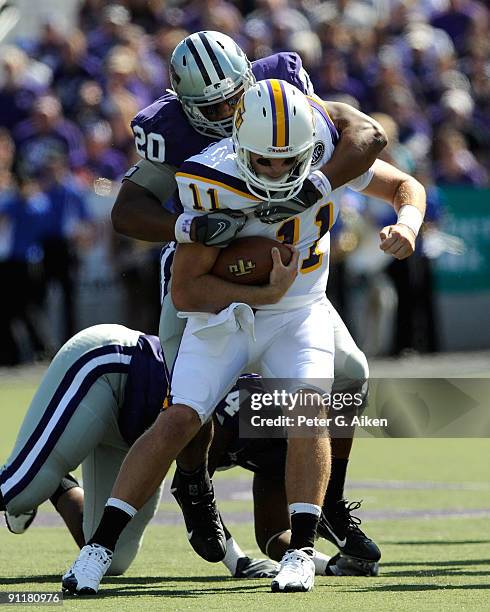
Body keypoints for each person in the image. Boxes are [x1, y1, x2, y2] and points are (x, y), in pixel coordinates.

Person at [63, 79, 425, 594]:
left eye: (288, 160)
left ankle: (301, 550)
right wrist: (261, 294)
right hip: (226, 315)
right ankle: (98, 549)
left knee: (308, 406)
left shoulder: (325, 151)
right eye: (264, 160)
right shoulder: (210, 179)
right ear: (240, 143)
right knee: (178, 420)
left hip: (301, 312)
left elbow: (404, 185)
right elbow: (186, 293)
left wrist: (407, 225)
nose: (277, 170)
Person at [111, 30, 387, 567]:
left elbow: (368, 134)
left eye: (232, 97)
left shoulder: (279, 88)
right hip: (207, 277)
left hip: (292, 290)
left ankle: (327, 501)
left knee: (351, 373)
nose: (226, 110)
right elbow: (125, 211)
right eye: (209, 106)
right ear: (184, 103)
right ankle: (194, 487)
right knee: (188, 404)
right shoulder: (168, 127)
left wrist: (321, 184)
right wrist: (185, 226)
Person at [0, 325, 369, 581]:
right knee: (17, 491)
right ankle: (36, 476)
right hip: (111, 374)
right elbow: (191, 481)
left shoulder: (287, 449)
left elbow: (274, 536)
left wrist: (324, 563)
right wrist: (233, 559)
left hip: (136, 437)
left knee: (114, 560)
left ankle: (58, 483)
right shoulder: (261, 402)